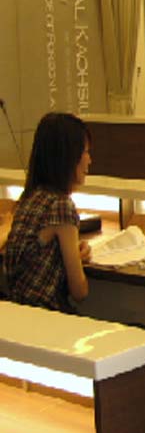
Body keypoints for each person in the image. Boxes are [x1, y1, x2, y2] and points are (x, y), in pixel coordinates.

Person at [3, 112, 92, 311]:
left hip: (19, 313)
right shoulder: (61, 206)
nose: (89, 160)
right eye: (85, 152)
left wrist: (72, 254)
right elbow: (80, 292)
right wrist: (76, 261)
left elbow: (37, 254)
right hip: (47, 316)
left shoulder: (28, 198)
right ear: (68, 157)